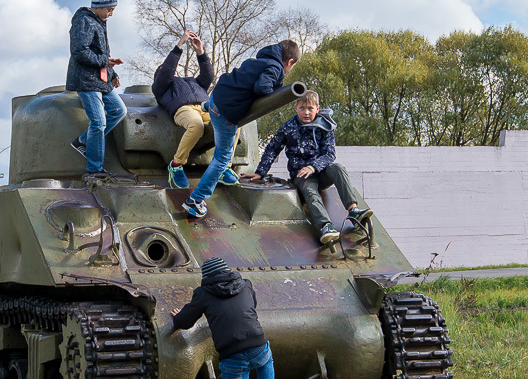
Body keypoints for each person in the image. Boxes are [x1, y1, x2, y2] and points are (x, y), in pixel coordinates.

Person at [182, 39, 301, 218]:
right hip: (226, 113)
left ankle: (206, 106)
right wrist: (272, 91)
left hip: (217, 97)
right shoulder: (276, 67)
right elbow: (262, 87)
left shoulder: (260, 60)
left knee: (212, 108)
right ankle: (196, 200)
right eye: (291, 66)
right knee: (222, 158)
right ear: (290, 61)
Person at [242, 90, 373, 244]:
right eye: (302, 108)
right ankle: (326, 225)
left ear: (317, 109)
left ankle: (353, 211)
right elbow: (272, 148)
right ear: (296, 108)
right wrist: (260, 172)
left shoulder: (325, 126)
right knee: (310, 191)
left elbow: (330, 154)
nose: (306, 112)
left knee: (338, 168)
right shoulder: (288, 127)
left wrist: (313, 166)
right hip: (301, 175)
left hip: (321, 170)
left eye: (310, 108)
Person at [151, 29, 239, 189]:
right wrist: (180, 45)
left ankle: (224, 167)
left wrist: (200, 52)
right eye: (171, 70)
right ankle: (176, 164)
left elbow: (208, 76)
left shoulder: (193, 81)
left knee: (233, 121)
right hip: (183, 109)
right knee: (196, 125)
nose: (174, 72)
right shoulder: (161, 87)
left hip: (205, 107)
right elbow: (167, 70)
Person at [65, 0, 127, 182]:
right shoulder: (84, 21)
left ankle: (83, 141)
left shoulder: (100, 22)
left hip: (101, 79)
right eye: (110, 9)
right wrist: (104, 62)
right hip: (86, 80)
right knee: (98, 121)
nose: (112, 13)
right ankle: (93, 169)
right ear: (99, 7)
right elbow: (79, 52)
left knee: (119, 110)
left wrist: (112, 73)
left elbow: (102, 54)